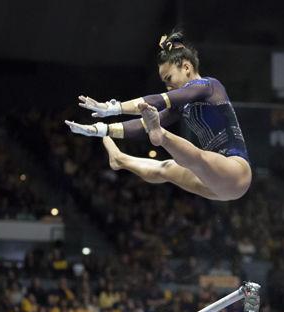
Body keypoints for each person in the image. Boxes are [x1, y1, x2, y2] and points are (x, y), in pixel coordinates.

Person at [65, 30, 252, 201]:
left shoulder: (209, 86)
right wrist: (100, 129)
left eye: (169, 79)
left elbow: (157, 101)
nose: (168, 86)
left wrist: (113, 108)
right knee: (166, 168)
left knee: (198, 157)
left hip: (235, 172)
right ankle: (121, 160)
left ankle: (161, 135)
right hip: (212, 183)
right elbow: (142, 125)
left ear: (186, 67)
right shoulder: (182, 105)